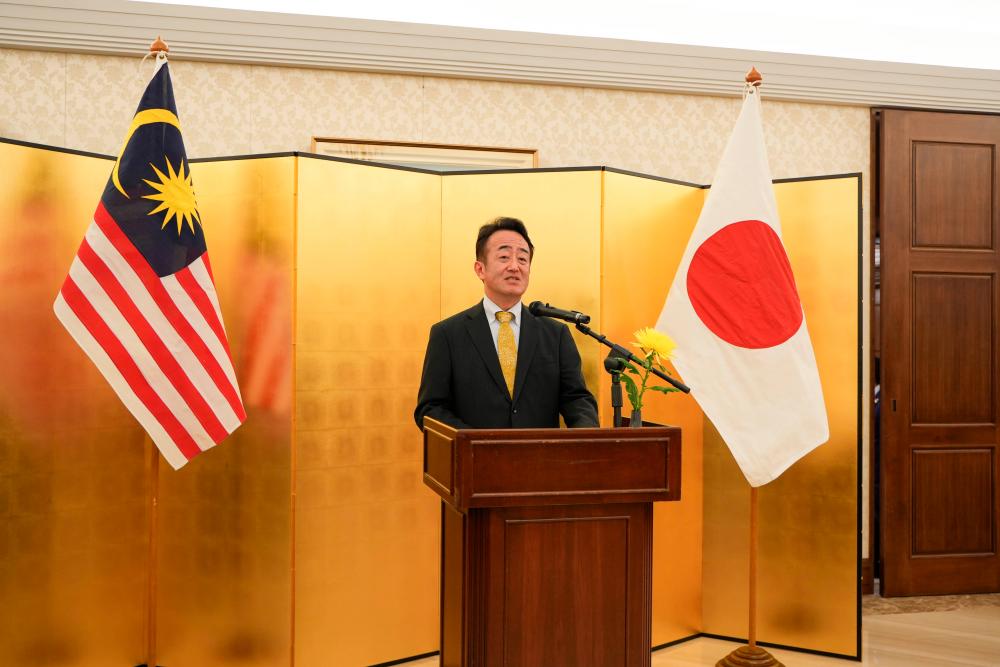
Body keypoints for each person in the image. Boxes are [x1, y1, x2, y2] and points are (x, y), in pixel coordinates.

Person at [414, 217, 599, 430]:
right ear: (480, 269)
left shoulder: (556, 334)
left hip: (542, 458)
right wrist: (476, 443)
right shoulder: (447, 334)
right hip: (474, 459)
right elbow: (430, 409)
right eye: (504, 257)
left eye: (522, 259)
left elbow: (576, 398)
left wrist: (586, 436)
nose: (514, 267)